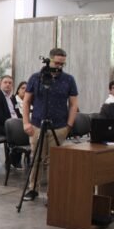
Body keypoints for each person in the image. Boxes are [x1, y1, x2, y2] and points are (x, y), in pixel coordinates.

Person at [22, 48, 79, 201]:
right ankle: (33, 188)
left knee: (55, 160)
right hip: (37, 125)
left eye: (63, 64)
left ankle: (53, 192)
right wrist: (26, 122)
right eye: (57, 63)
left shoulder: (68, 79)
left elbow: (73, 104)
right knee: (37, 158)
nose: (60, 66)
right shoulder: (36, 77)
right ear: (50, 60)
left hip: (60, 126)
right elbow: (26, 102)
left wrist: (69, 125)